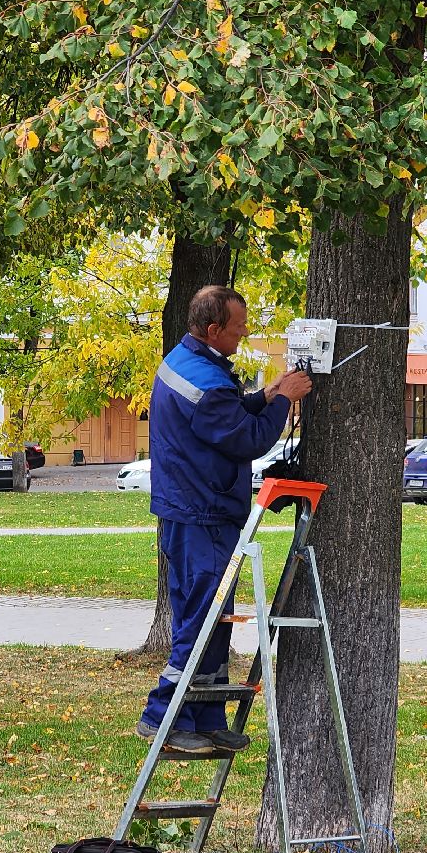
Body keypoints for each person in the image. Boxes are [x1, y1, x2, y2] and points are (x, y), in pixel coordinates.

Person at [138, 284, 313, 754]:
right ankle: (164, 717)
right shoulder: (208, 381)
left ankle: (207, 716)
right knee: (201, 618)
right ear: (214, 329)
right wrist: (283, 402)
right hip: (204, 513)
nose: (244, 334)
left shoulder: (191, 363)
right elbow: (246, 439)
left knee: (213, 620)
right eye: (238, 328)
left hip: (191, 508)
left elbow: (224, 416)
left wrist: (266, 394)